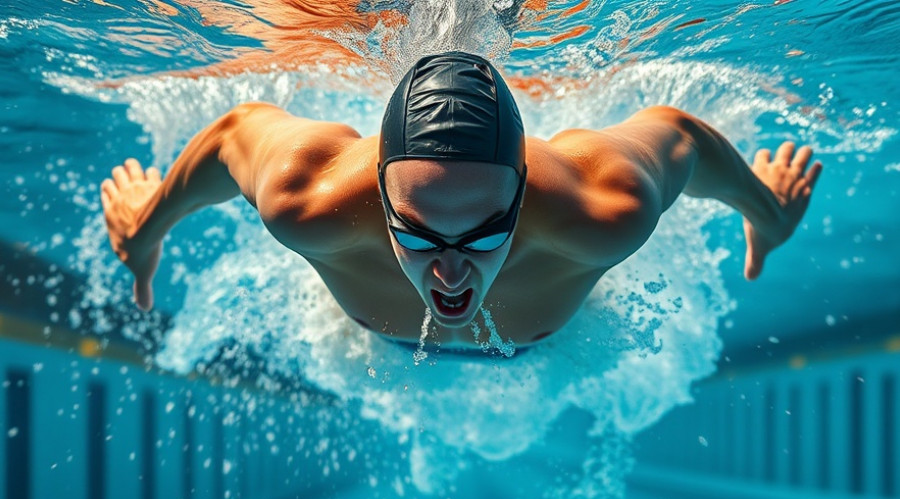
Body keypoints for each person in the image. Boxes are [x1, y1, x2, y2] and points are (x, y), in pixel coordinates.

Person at [100, 51, 822, 348]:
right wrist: (147, 226)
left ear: (524, 197)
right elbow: (234, 135)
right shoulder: (308, 200)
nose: (449, 273)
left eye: (482, 233)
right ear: (376, 197)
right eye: (415, 234)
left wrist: (769, 213)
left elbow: (680, 136)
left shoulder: (602, 209)